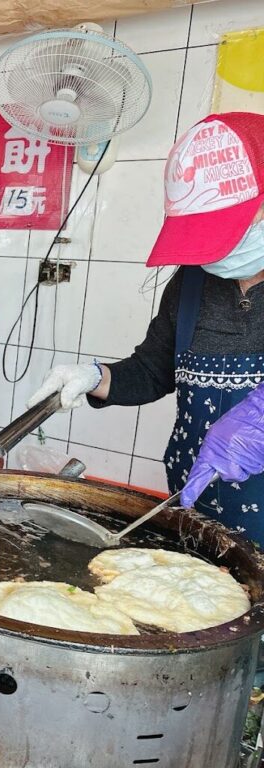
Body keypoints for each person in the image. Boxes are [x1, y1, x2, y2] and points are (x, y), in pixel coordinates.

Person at [28, 112, 264, 541]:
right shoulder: (193, 283)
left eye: (228, 228)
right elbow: (154, 370)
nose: (217, 252)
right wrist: (95, 377)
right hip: (195, 515)